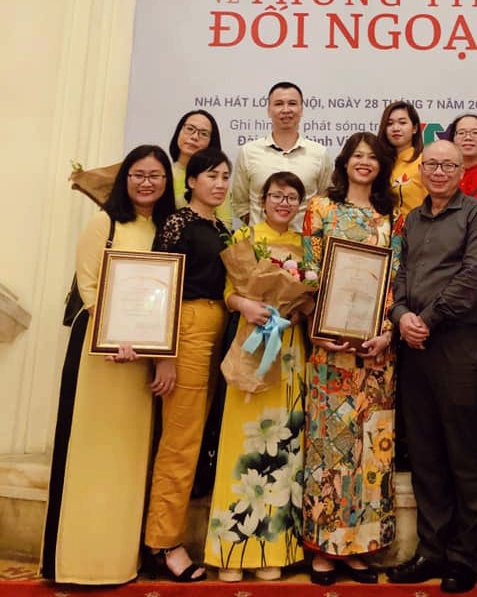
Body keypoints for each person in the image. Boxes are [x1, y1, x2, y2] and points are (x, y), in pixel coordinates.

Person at [41, 145, 175, 584]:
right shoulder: (104, 222)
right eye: (138, 174)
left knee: (128, 457)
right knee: (90, 450)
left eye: (155, 176)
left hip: (142, 359)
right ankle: (74, 563)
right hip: (99, 354)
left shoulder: (166, 230)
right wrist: (115, 334)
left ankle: (119, 562)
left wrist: (158, 353)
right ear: (125, 178)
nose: (146, 183)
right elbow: (89, 286)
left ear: (167, 182)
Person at [388, 140, 477, 594]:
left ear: (461, 172)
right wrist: (401, 316)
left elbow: (474, 278)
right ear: (421, 171)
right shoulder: (412, 220)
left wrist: (426, 320)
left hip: (458, 343)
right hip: (414, 347)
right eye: (431, 164)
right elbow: (399, 275)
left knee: (465, 454)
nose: (438, 172)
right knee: (426, 454)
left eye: (447, 165)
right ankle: (431, 551)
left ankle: (465, 557)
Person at [302, 132, 403, 585]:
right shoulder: (321, 209)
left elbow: (397, 279)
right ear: (344, 163)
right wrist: (320, 327)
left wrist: (386, 334)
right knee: (329, 448)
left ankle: (360, 546)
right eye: (357, 156)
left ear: (382, 166)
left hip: (376, 352)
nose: (364, 162)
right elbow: (309, 274)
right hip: (330, 350)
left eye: (372, 157)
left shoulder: (392, 218)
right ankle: (325, 547)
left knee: (370, 450)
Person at [205, 171, 307, 582]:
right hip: (251, 344)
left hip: (290, 350)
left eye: (291, 197)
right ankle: (230, 550)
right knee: (242, 443)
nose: (283, 203)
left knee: (284, 447)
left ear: (299, 204)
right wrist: (246, 305)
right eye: (276, 195)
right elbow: (227, 292)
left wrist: (296, 312)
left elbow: (310, 299)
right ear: (262, 200)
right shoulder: (244, 238)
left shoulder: (307, 244)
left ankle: (271, 548)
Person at [144, 148, 232, 582]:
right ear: (191, 181)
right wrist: (164, 355)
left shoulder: (223, 228)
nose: (219, 183)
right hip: (187, 328)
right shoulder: (178, 223)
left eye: (225, 176)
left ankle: (165, 537)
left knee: (198, 439)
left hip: (219, 330)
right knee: (180, 442)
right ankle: (162, 544)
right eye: (211, 175)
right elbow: (160, 286)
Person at [232, 81, 333, 231]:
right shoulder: (248, 152)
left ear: (301, 109)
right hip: (258, 243)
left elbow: (325, 203)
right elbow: (240, 203)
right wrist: (262, 230)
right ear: (269, 110)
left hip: (303, 243)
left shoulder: (319, 153)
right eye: (279, 104)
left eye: (292, 103)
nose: (286, 110)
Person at [168, 109, 232, 227]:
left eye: (203, 133)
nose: (194, 137)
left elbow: (225, 223)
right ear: (179, 131)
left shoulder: (218, 179)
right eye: (190, 129)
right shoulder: (164, 173)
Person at [378, 100, 427, 216]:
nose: (395, 128)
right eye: (389, 123)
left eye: (402, 122)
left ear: (415, 128)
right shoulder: (379, 165)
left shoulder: (424, 162)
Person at [447, 113, 477, 206]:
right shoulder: (441, 176)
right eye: (461, 133)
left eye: (475, 132)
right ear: (453, 141)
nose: (468, 138)